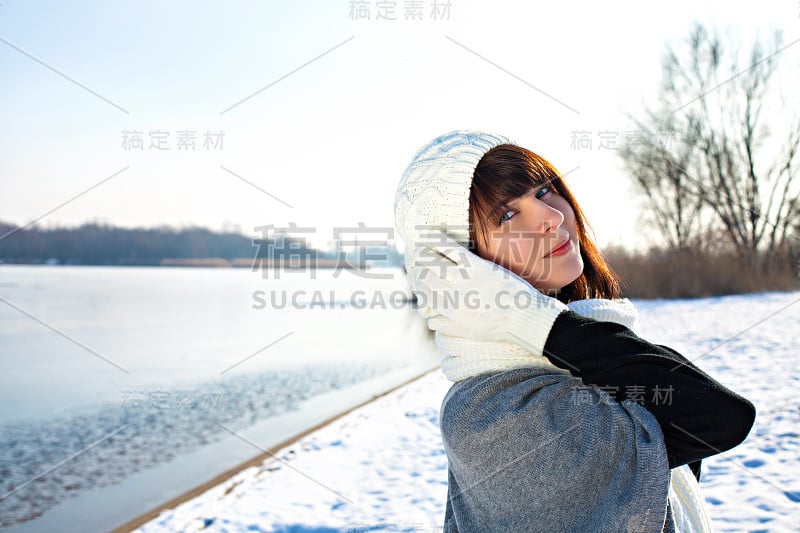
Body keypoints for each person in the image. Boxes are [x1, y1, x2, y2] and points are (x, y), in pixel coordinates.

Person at [393, 130, 756, 532]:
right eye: (507, 215)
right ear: (465, 265)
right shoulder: (489, 410)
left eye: (545, 190)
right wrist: (524, 316)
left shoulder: (591, 349)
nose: (552, 217)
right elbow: (720, 417)